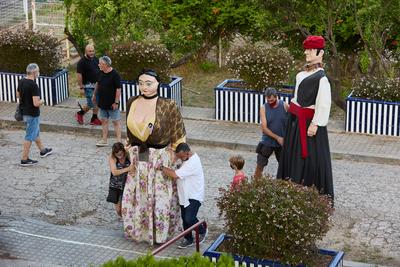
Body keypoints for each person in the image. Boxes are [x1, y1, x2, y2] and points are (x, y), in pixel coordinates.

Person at [121, 68, 186, 245]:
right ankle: (140, 231)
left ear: (158, 83)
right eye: (141, 83)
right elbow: (128, 130)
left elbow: (178, 132)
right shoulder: (131, 101)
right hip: (137, 158)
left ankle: (159, 233)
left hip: (159, 159)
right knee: (138, 195)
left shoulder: (168, 105)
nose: (144, 87)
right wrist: (127, 147)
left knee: (160, 197)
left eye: (148, 83)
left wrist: (174, 154)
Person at [277, 35, 334, 200]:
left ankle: (310, 197)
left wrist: (316, 124)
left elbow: (323, 104)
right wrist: (290, 108)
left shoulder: (322, 78)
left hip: (309, 124)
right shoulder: (300, 74)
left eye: (311, 49)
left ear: (320, 52)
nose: (307, 52)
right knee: (291, 156)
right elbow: (296, 96)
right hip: (294, 122)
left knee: (310, 159)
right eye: (306, 49)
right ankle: (290, 192)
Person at [157, 143, 207, 249]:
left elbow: (174, 174)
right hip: (185, 195)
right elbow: (177, 154)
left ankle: (203, 230)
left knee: (190, 218)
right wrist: (173, 152)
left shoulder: (192, 163)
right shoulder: (187, 156)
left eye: (181, 157)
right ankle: (188, 239)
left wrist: (162, 167)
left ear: (187, 153)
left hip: (194, 195)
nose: (179, 159)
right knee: (184, 218)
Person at [16, 63, 52, 166]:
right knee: (29, 136)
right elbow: (36, 103)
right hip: (32, 113)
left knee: (34, 132)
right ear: (34, 72)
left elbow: (18, 95)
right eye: (38, 71)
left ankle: (43, 150)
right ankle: (24, 159)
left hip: (24, 112)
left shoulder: (21, 81)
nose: (38, 73)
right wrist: (42, 101)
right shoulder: (34, 85)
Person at [254, 88, 288, 179]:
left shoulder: (285, 106)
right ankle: (255, 185)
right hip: (267, 141)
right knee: (260, 165)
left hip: (282, 142)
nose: (270, 102)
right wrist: (277, 138)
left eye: (272, 100)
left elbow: (292, 122)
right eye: (268, 100)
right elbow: (264, 128)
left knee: (285, 167)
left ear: (276, 97)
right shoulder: (263, 108)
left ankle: (284, 186)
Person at [93, 56, 122, 147]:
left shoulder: (115, 74)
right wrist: (94, 94)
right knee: (104, 121)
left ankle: (119, 141)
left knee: (115, 122)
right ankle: (104, 140)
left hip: (112, 103)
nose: (98, 65)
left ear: (105, 64)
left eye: (100, 63)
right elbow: (97, 83)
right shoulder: (100, 72)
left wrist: (116, 102)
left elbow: (118, 89)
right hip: (102, 102)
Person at [75, 44, 101, 126]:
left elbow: (99, 70)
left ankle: (94, 119)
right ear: (86, 51)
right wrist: (81, 87)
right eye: (90, 51)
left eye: (93, 51)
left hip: (97, 85)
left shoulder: (96, 59)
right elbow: (79, 75)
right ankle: (80, 113)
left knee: (97, 103)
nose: (92, 53)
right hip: (88, 86)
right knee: (91, 104)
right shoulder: (82, 62)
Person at [107, 142, 135, 217]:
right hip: (115, 185)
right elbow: (114, 172)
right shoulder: (112, 157)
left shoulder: (127, 154)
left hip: (126, 185)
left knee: (125, 207)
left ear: (123, 151)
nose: (120, 156)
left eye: (121, 154)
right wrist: (128, 169)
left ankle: (126, 221)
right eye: (117, 154)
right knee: (118, 210)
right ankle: (122, 217)